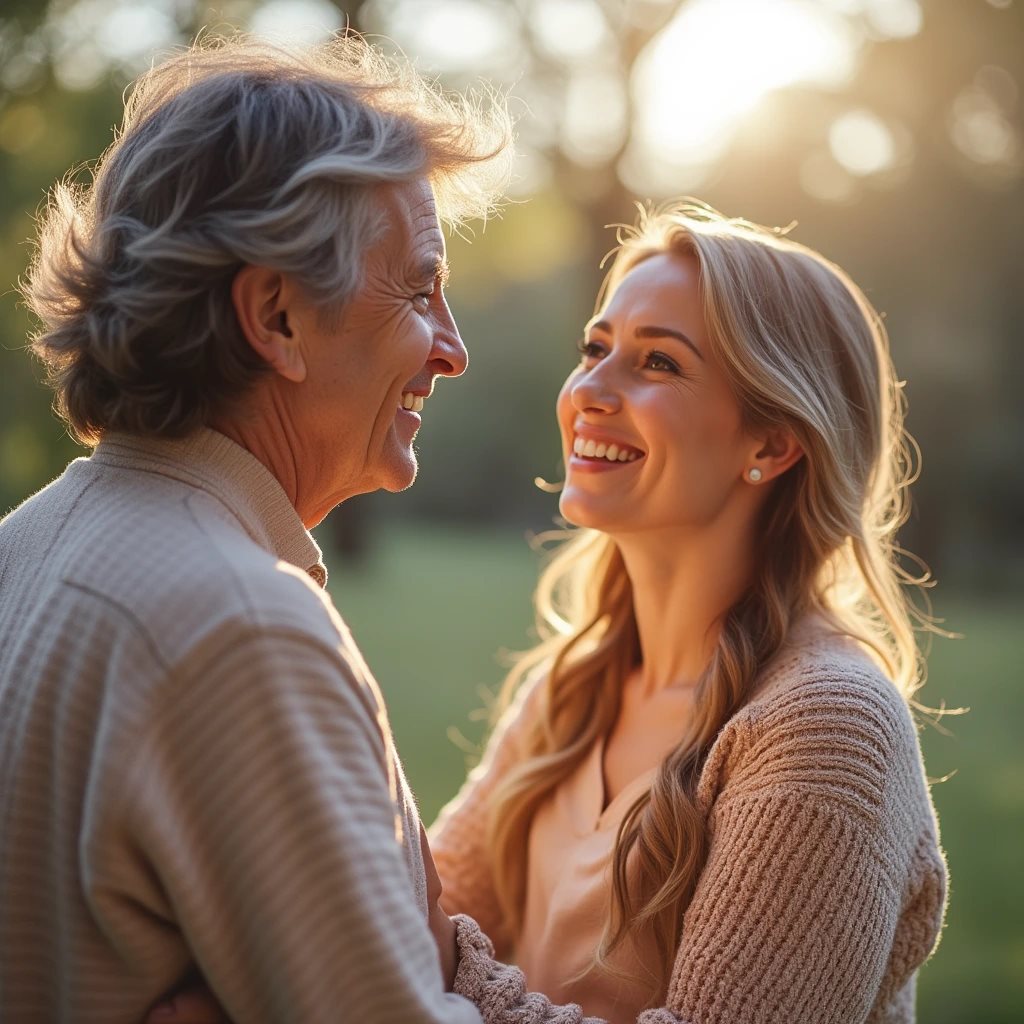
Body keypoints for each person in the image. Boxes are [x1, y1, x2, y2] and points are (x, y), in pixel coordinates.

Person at [0, 32, 547, 1024]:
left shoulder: (25, 544)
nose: (454, 350)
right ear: (276, 316)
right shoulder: (237, 627)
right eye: (420, 288)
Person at [427, 203, 949, 1023]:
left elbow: (423, 934)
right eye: (595, 349)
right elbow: (409, 908)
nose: (589, 392)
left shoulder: (826, 726)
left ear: (771, 445)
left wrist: (451, 962)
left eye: (658, 364)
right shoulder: (574, 686)